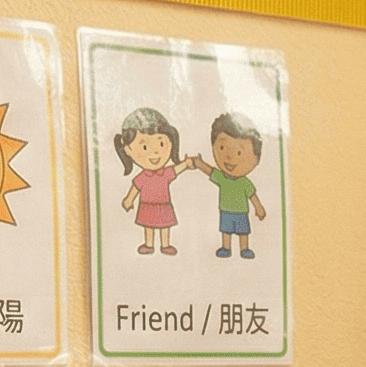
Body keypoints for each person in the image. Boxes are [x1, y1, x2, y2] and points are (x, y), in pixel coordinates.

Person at [191, 112, 269, 259]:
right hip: (226, 211)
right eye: (222, 148)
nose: (229, 157)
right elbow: (210, 171)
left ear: (256, 157)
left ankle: (244, 248)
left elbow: (253, 196)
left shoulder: (245, 182)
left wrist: (258, 208)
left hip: (241, 213)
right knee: (225, 231)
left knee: (243, 231)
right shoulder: (222, 177)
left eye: (239, 152)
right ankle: (226, 248)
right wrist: (199, 163)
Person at [114, 108, 184, 256]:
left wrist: (187, 164)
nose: (155, 152)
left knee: (165, 226)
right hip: (147, 205)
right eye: (144, 147)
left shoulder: (165, 173)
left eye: (161, 144)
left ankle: (165, 245)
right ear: (127, 150)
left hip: (164, 205)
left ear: (171, 142)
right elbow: (135, 188)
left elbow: (177, 169)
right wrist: (128, 199)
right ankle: (149, 244)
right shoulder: (143, 177)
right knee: (149, 226)